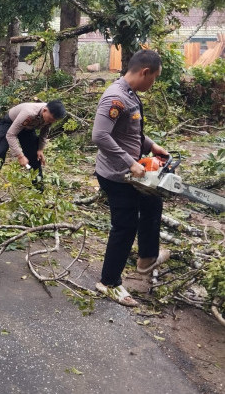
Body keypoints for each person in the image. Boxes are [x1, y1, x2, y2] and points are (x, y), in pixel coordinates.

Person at [92, 49, 170, 307]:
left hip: (130, 172)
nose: (154, 83)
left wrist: (151, 146)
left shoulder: (130, 94)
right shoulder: (115, 98)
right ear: (145, 72)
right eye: (155, 78)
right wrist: (131, 163)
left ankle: (147, 259)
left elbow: (130, 131)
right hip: (117, 175)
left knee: (153, 203)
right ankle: (109, 282)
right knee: (124, 226)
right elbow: (100, 136)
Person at [0, 100, 66, 180]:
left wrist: (40, 149)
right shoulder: (29, 113)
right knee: (0, 151)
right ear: (45, 110)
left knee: (34, 155)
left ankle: (38, 186)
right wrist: (20, 156)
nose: (51, 122)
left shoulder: (50, 116)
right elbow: (11, 135)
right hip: (9, 123)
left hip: (28, 128)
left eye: (54, 121)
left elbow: (44, 134)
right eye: (51, 119)